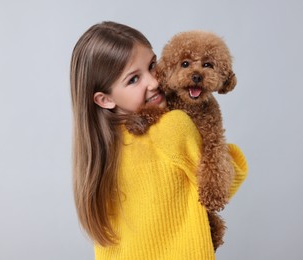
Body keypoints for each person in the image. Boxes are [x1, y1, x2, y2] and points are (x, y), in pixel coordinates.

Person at [70, 21, 247, 259]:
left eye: (152, 65)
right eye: (133, 79)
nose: (154, 82)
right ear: (104, 99)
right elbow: (228, 179)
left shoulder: (99, 150)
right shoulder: (174, 126)